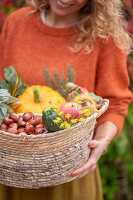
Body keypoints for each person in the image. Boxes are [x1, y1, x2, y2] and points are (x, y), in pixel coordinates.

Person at [0, 0, 133, 199]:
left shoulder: (105, 36)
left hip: (70, 172)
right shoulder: (17, 23)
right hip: (14, 170)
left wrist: (102, 142)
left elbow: (115, 103)